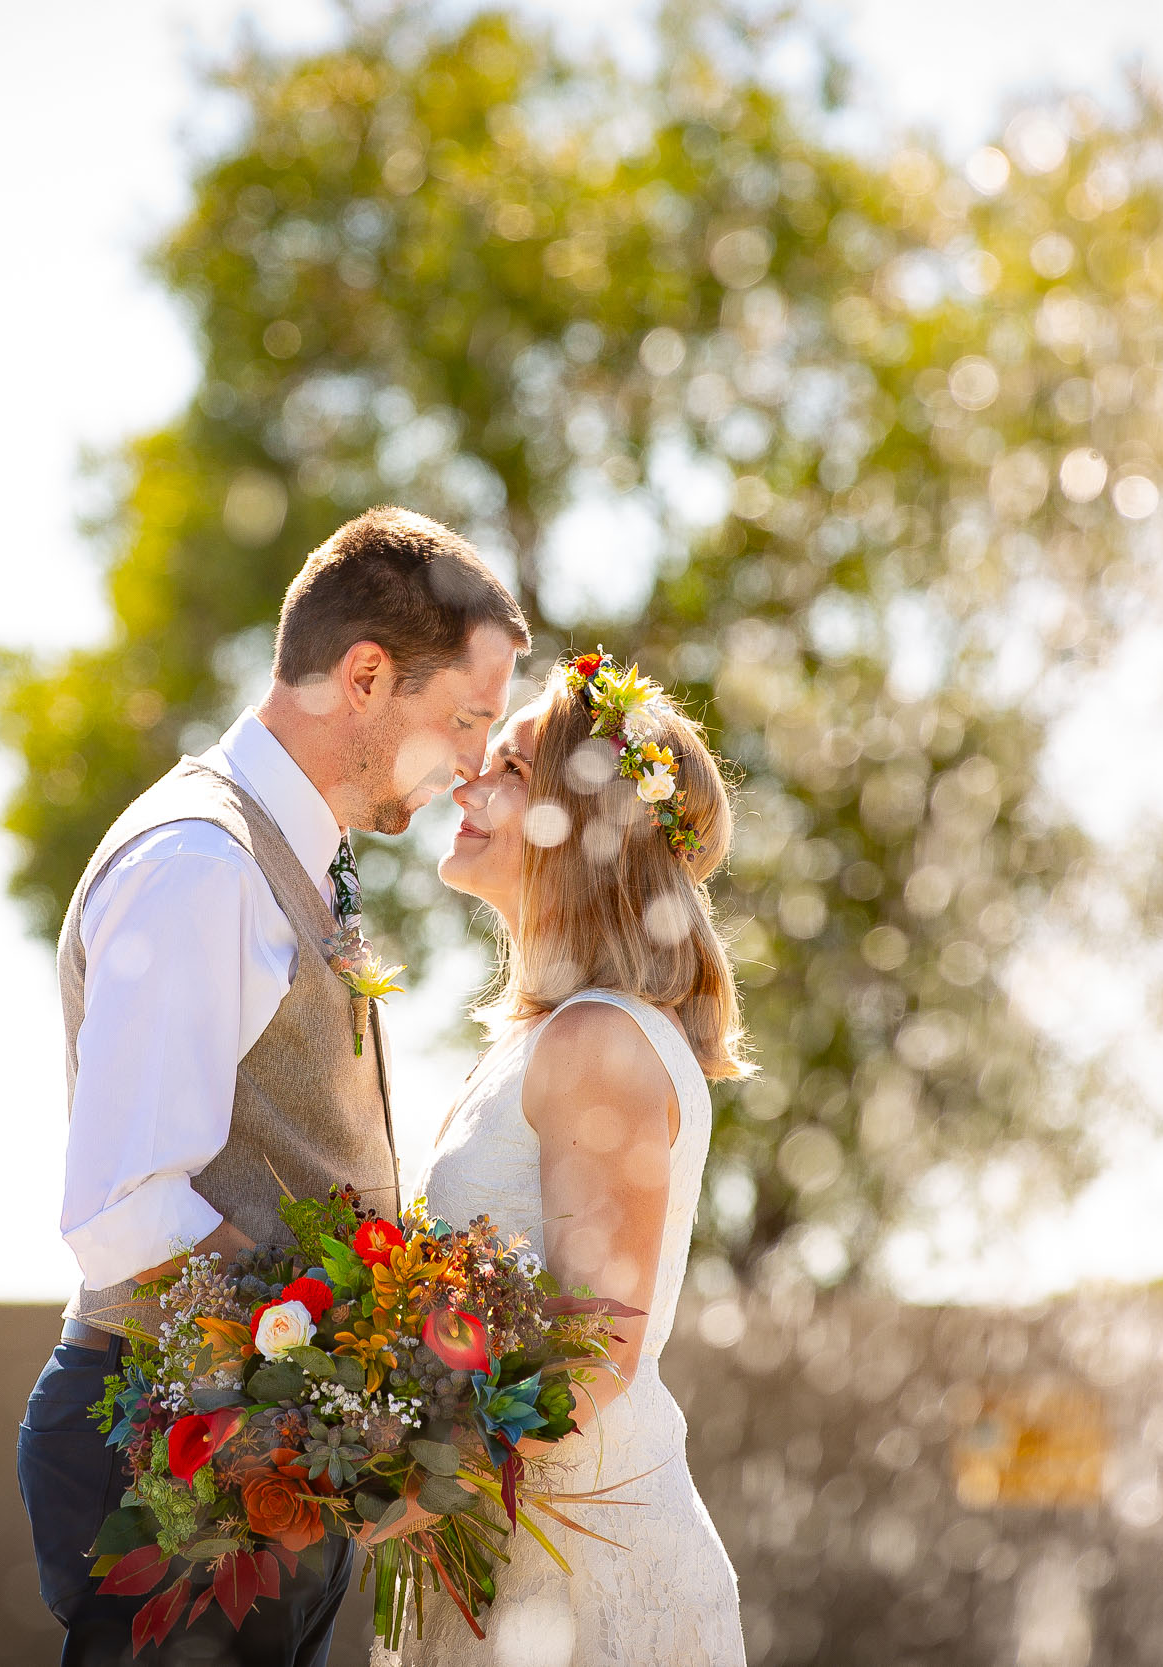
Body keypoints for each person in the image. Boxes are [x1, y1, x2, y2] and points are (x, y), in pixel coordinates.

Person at [16, 506, 528, 1667]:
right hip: (168, 1458)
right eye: (462, 719)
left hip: (246, 1455)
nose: (469, 761)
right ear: (363, 676)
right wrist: (335, 1392)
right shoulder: (201, 863)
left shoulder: (296, 856)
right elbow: (123, 1208)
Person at [408, 652, 748, 1665]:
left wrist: (389, 1469)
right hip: (515, 1572)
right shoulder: (540, 1041)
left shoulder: (599, 1043)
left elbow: (585, 1361)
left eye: (509, 768)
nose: (464, 782)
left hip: (582, 1592)